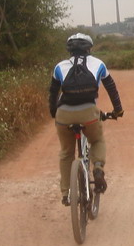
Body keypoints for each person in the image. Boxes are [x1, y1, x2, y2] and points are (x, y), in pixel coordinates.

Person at [49, 32, 124, 206]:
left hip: (64, 115)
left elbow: (52, 94)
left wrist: (54, 113)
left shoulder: (59, 67)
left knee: (66, 153)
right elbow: (112, 88)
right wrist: (117, 111)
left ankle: (67, 193)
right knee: (97, 140)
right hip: (89, 113)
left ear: (69, 50)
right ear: (89, 48)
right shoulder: (98, 64)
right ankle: (97, 169)